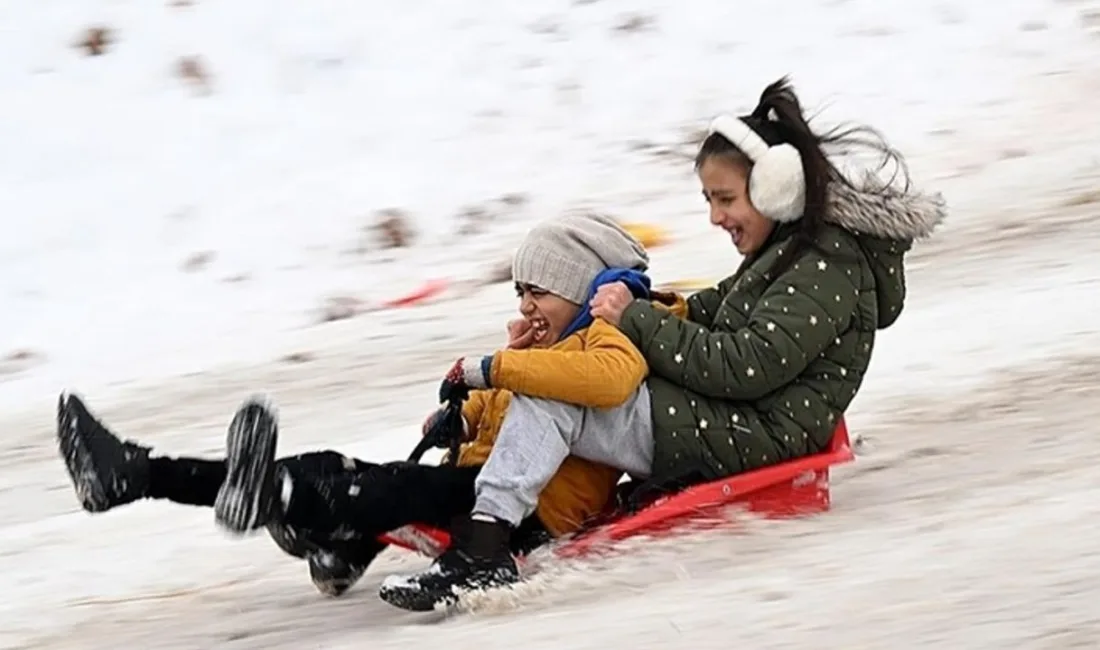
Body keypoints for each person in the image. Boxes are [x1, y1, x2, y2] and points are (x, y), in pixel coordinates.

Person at [377, 76, 946, 612]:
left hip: (763, 432)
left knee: (555, 392)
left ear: (776, 188)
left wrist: (641, 322)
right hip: (742, 417)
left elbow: (748, 365)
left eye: (724, 199)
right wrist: (649, 307)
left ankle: (486, 546)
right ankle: (495, 512)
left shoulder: (825, 265)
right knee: (572, 376)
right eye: (708, 200)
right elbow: (716, 309)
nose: (714, 217)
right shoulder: (793, 253)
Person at [55, 211, 655, 597]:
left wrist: (501, 365)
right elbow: (510, 414)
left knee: (369, 486)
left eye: (539, 291)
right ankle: (151, 476)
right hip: (481, 483)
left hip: (527, 512)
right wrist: (465, 413)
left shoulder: (602, 344)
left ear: (584, 288)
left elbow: (593, 387)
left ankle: (288, 509)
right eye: (520, 291)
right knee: (347, 474)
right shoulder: (546, 346)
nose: (525, 305)